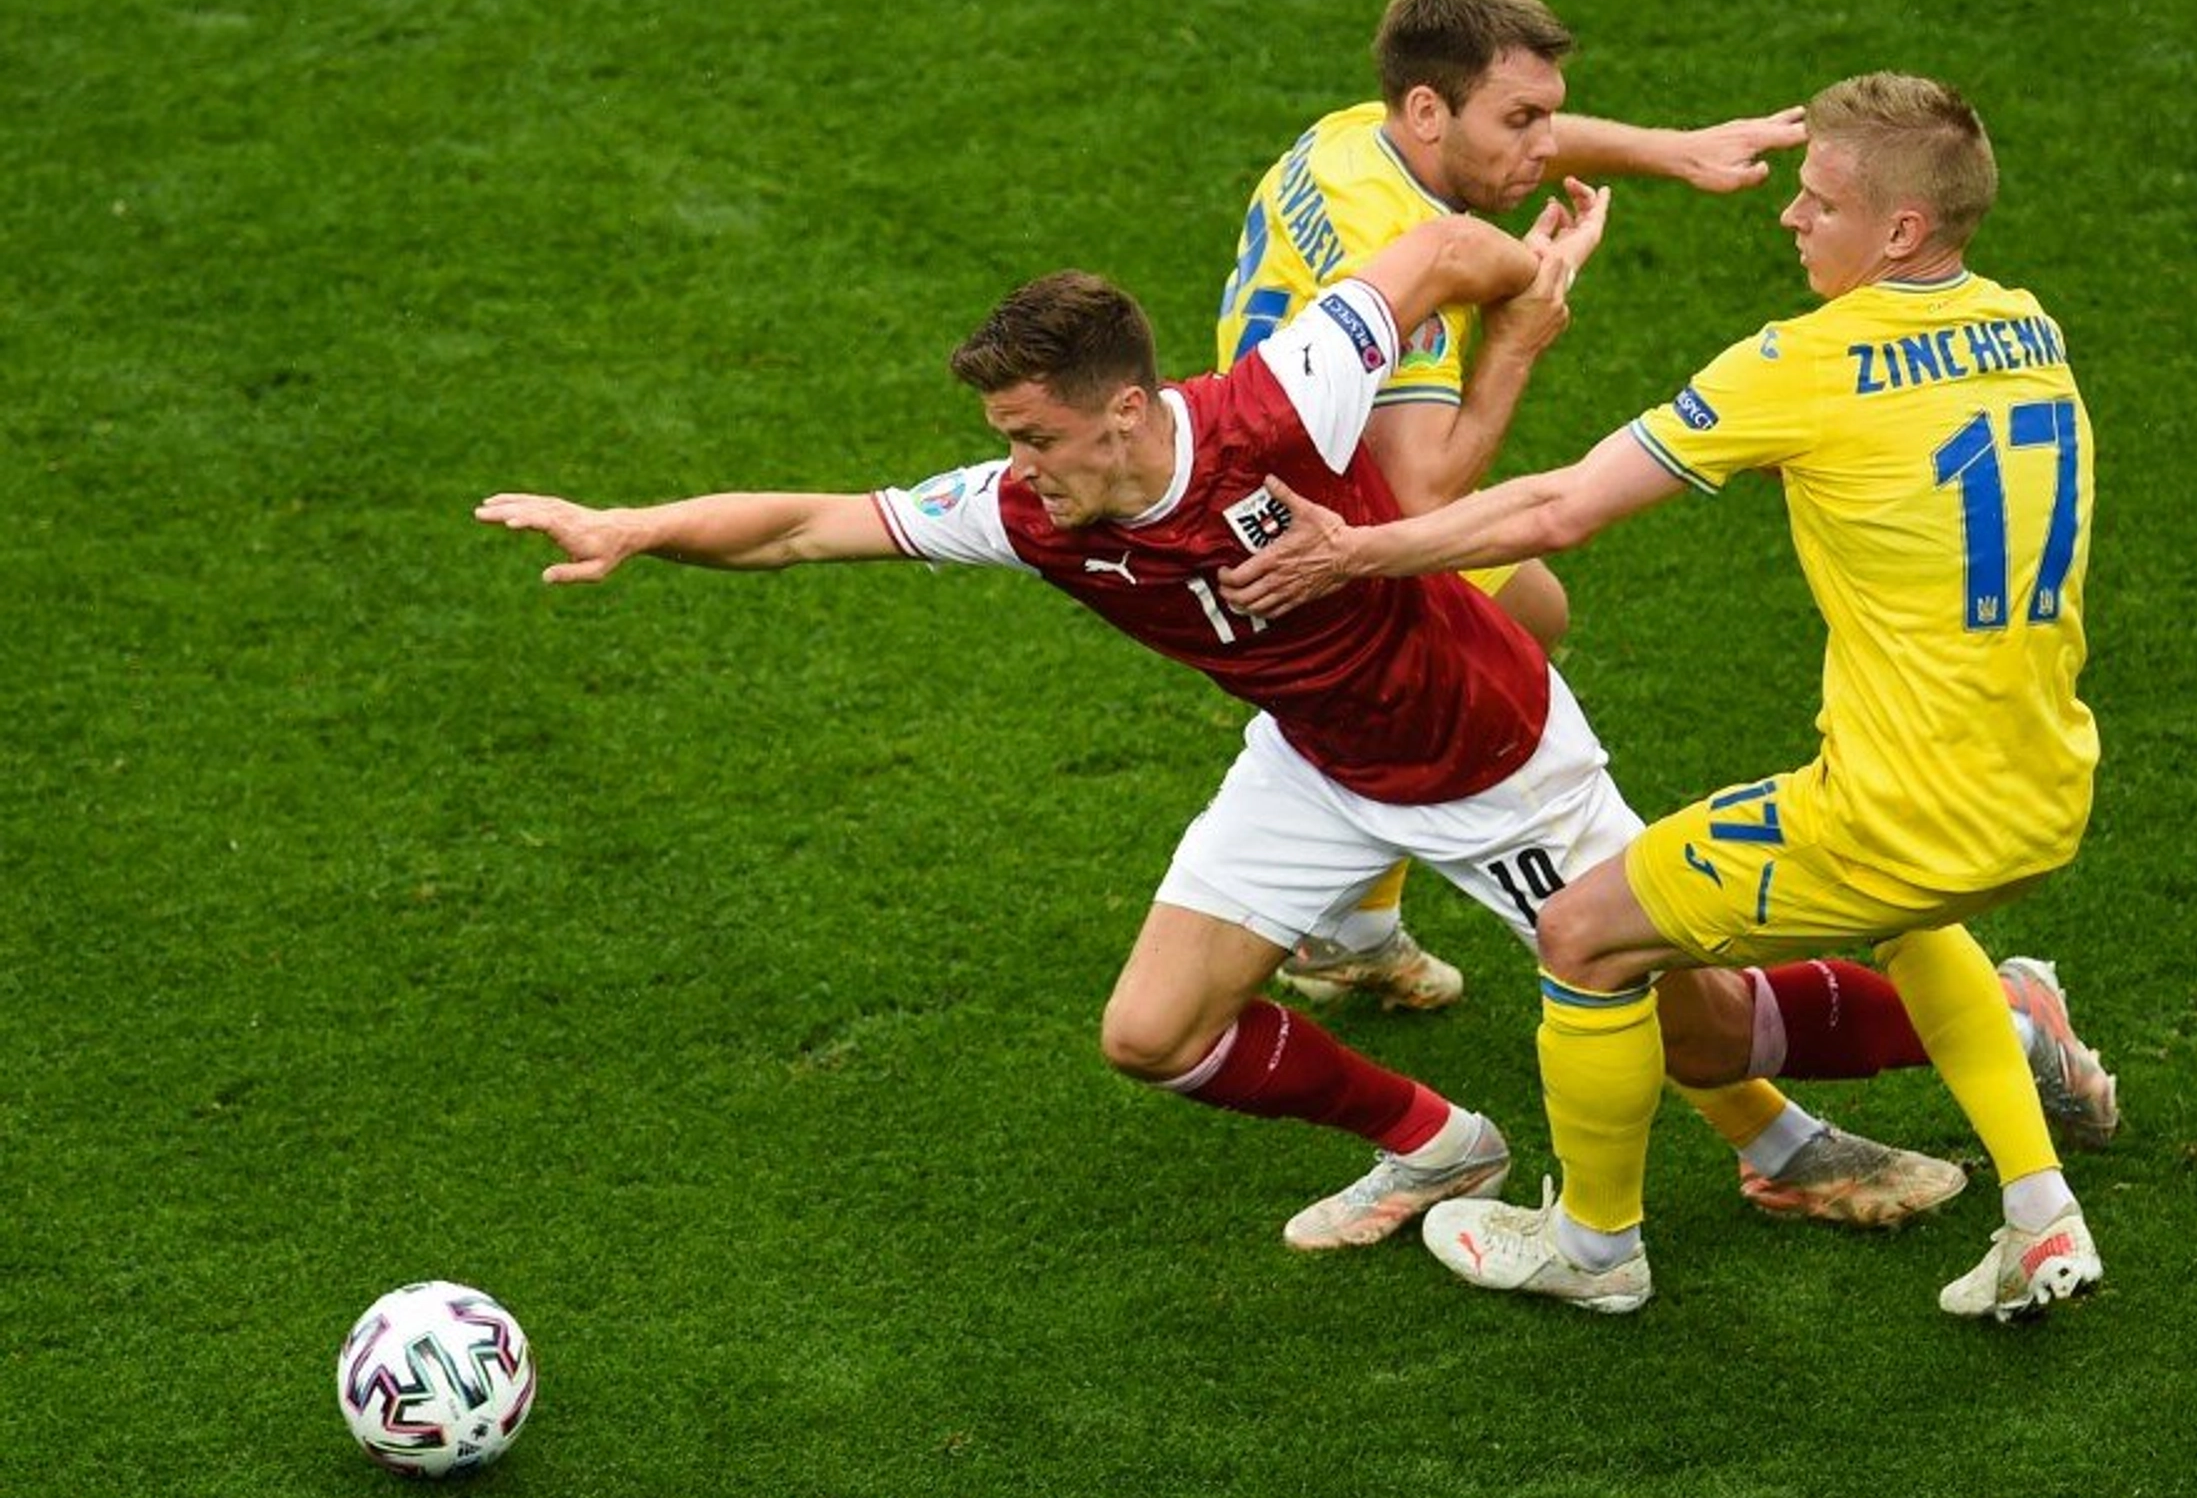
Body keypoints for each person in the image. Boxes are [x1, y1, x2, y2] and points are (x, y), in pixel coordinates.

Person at [478, 191, 1986, 1272]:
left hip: (1490, 763)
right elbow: (810, 526)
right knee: (1150, 1032)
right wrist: (633, 526)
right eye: (1009, 440)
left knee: (1705, 1029)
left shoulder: (1277, 404)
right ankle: (1436, 1141)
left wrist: (1527, 289)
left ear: (1129, 411)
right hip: (1315, 764)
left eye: (1038, 436)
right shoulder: (1034, 512)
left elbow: (1444, 247)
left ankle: (2001, 1025)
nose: (1019, 468)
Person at [1222, 72, 2112, 1320]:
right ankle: (2040, 1213)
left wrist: (1348, 551)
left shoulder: (1802, 363)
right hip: (2043, 783)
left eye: (1819, 202)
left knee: (1584, 935)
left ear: (1900, 232)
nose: (1791, 220)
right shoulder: (2028, 323)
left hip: (1893, 813)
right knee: (1918, 919)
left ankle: (1593, 1250)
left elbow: (1555, 510)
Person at [1220, 0, 1808, 1021]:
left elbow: (1520, 137)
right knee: (1460, 698)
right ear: (1430, 109)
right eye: (1521, 119)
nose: (1543, 148)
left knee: (1530, 605)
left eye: (1551, 116)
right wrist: (1521, 333)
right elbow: (1423, 493)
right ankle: (1735, 1084)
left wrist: (1670, 151)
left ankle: (1344, 923)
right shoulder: (1408, 263)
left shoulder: (1358, 134)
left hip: (1273, 468)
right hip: (1323, 530)